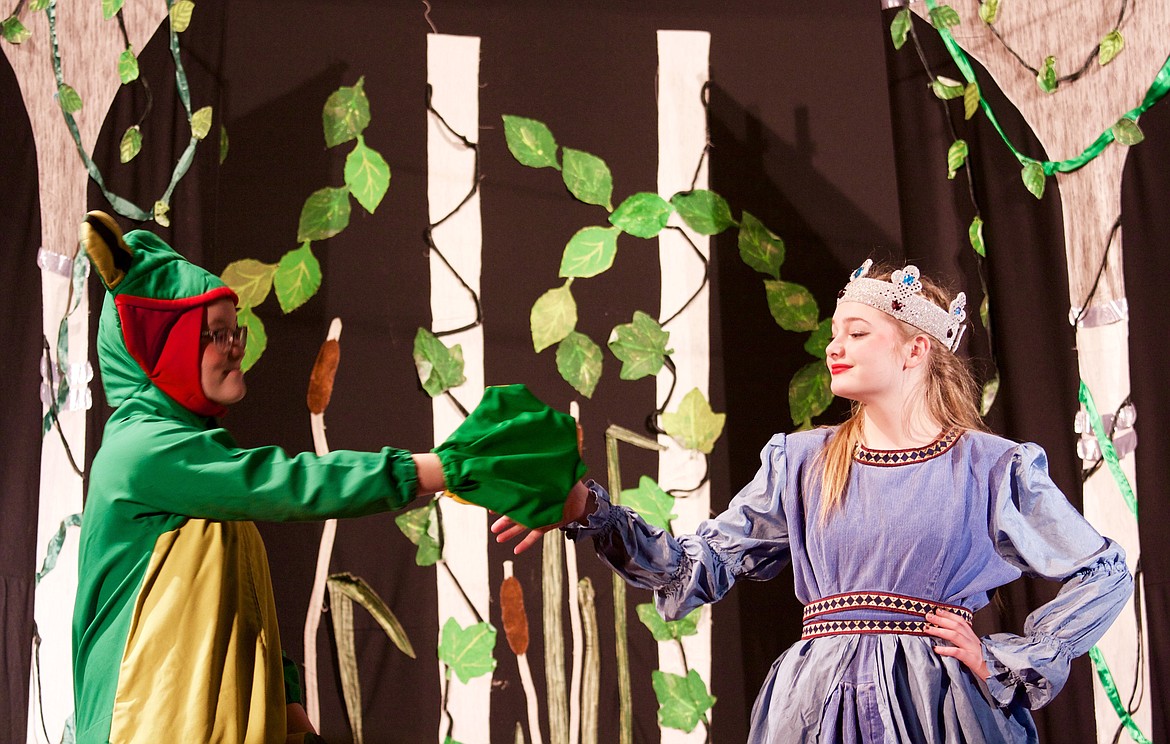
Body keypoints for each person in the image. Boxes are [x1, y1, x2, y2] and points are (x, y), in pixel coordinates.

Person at [493, 259, 1134, 743]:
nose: (834, 347)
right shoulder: (801, 463)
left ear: (917, 349)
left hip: (937, 707)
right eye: (834, 333)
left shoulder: (991, 468)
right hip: (816, 707)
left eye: (857, 333)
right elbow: (691, 569)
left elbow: (1103, 569)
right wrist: (589, 511)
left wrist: (1006, 655)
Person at [72, 211, 585, 744]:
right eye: (214, 334)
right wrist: (442, 468)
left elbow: (244, 610)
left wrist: (292, 716)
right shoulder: (141, 452)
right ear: (159, 348)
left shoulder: (198, 474)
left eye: (234, 331)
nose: (234, 347)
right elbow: (289, 482)